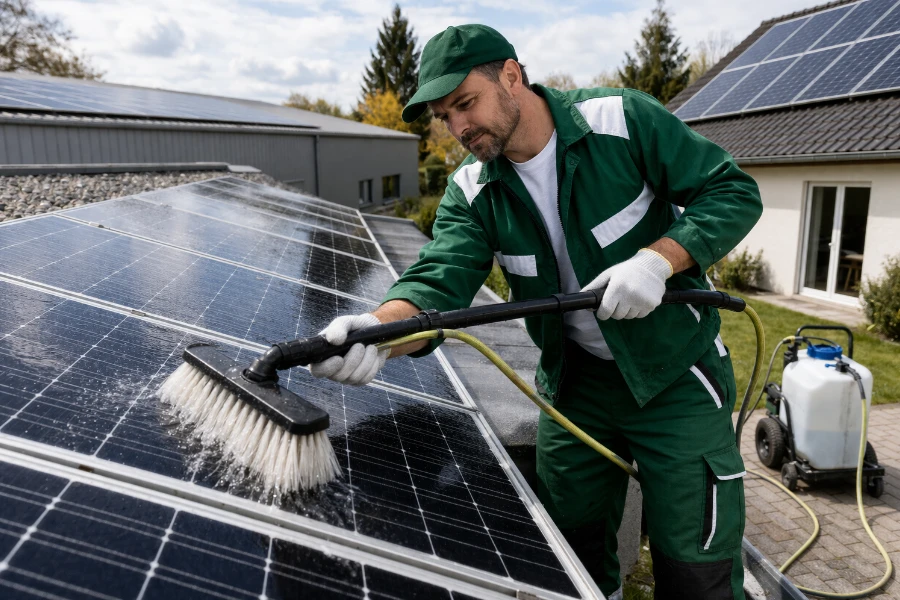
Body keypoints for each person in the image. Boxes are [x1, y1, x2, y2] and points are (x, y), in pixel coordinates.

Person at [310, 24, 762, 600]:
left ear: (512, 76)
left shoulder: (622, 122)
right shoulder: (472, 190)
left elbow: (732, 190)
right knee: (566, 554)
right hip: (574, 387)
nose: (459, 128)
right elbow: (439, 278)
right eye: (446, 117)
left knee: (698, 563)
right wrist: (381, 330)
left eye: (465, 104)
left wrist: (657, 261)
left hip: (675, 374)